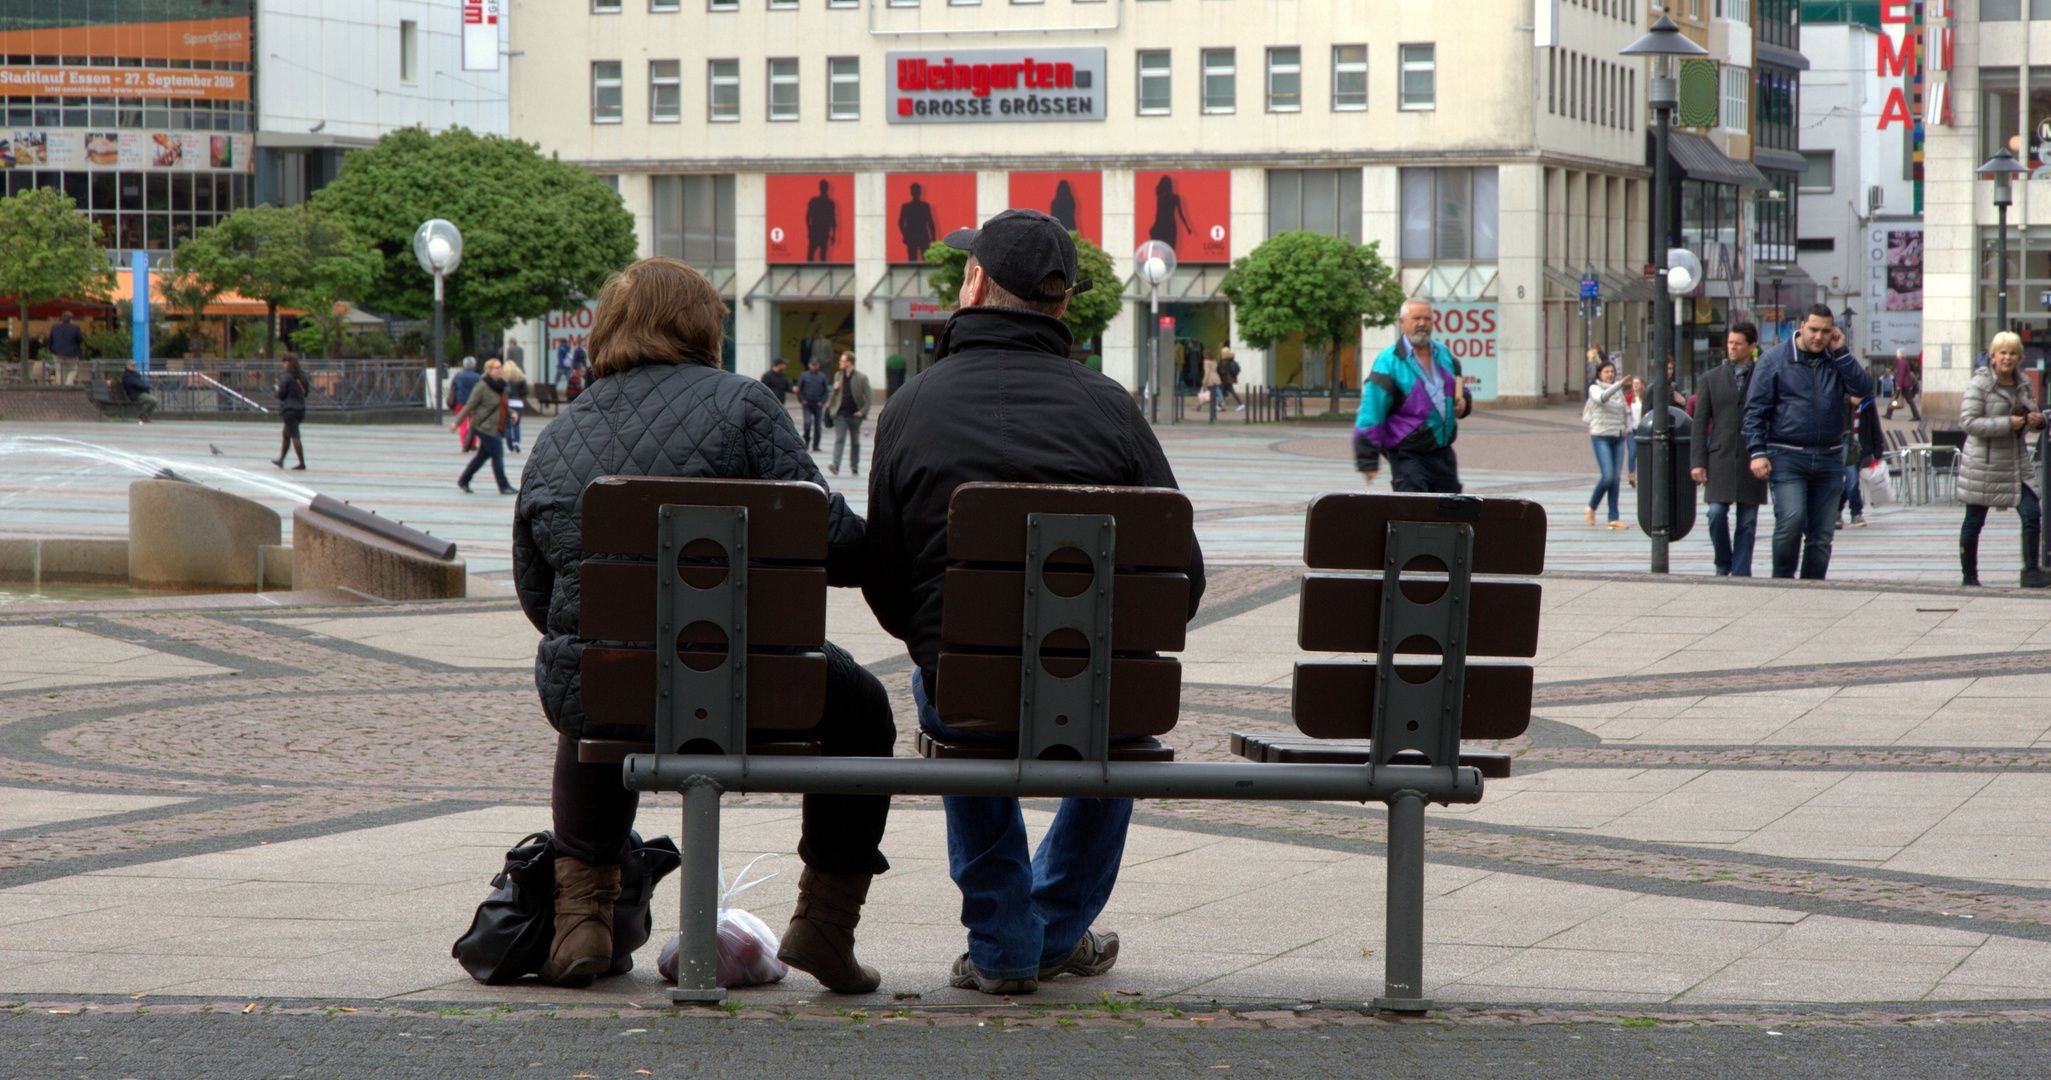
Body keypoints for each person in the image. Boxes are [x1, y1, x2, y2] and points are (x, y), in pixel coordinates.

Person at [513, 256, 894, 992]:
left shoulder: (559, 434)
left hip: (612, 693)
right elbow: (830, 540)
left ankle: (580, 920)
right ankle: (823, 924)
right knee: (863, 704)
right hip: (758, 687)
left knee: (598, 676)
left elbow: (537, 594)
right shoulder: (745, 406)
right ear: (701, 327)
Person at [864, 209, 1204, 996]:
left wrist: (940, 643)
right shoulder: (1111, 407)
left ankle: (1006, 937)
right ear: (1060, 305)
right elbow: (1179, 578)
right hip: (1103, 694)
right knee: (1124, 694)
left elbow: (886, 581)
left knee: (946, 677)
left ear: (975, 283)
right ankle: (1049, 927)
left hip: (966, 690)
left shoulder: (913, 406)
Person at [1742, 303, 1876, 580]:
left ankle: (1813, 585)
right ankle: (1782, 580)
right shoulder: (1774, 360)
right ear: (1801, 326)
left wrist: (1841, 353)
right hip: (1786, 454)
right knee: (1790, 520)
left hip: (1829, 456)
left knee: (1822, 533)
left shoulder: (1836, 359)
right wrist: (1757, 451)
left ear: (1833, 333)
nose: (1819, 337)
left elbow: (1863, 389)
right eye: (1813, 329)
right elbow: (1754, 410)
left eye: (1826, 332)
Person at [1958, 332, 2049, 588]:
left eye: (2013, 353)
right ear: (1993, 356)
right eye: (2003, 353)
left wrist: (2038, 421)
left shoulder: (2023, 384)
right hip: (1984, 463)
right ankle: (1969, 577)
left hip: (2016, 462)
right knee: (1974, 521)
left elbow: (2032, 414)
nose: (2008, 358)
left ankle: (2031, 572)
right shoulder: (1980, 384)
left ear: (2019, 357)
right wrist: (2005, 423)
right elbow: (1968, 422)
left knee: (2032, 513)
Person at [1354, 298, 1471, 492]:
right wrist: (1367, 459)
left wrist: (1464, 404)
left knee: (1451, 513)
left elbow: (1461, 389)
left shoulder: (1444, 355)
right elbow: (1371, 409)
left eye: (1427, 319)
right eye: (1416, 318)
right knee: (1414, 513)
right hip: (1408, 455)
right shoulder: (1388, 361)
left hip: (1443, 452)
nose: (1422, 324)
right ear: (1402, 322)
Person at [1691, 322, 1769, 576]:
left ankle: (1741, 571)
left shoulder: (1763, 376)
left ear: (1751, 346)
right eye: (1729, 343)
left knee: (1747, 522)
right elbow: (1700, 422)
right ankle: (1723, 563)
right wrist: (1697, 461)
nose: (1732, 348)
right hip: (1720, 458)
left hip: (1752, 457)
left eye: (1737, 344)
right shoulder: (1711, 378)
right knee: (1715, 513)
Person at [451, 358, 515, 494]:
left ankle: (464, 480)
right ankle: (504, 486)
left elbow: (501, 406)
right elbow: (469, 406)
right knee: (498, 454)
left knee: (482, 456)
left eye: (500, 367)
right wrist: (457, 422)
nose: (500, 370)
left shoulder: (500, 386)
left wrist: (512, 413)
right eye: (496, 368)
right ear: (489, 370)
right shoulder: (482, 386)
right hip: (484, 427)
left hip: (496, 426)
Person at [1584, 361, 1631, 528]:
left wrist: (1628, 428)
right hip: (1601, 436)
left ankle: (1613, 518)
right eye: (1606, 372)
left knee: (1616, 479)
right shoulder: (1594, 388)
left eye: (1612, 371)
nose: (1610, 374)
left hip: (1617, 437)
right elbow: (1603, 398)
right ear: (1599, 374)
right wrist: (1619, 385)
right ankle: (1591, 506)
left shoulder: (1618, 392)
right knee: (1608, 476)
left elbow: (1626, 410)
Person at [1841, 393, 1883, 528]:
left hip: (1860, 449)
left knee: (1850, 481)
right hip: (1844, 447)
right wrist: (1848, 401)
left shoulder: (1868, 403)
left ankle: (1837, 510)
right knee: (1852, 479)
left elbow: (1875, 425)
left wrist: (1878, 451)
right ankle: (1856, 513)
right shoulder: (1841, 401)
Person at [825, 351, 870, 476]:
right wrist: (835, 388)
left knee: (855, 442)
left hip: (855, 415)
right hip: (840, 414)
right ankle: (836, 465)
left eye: (842, 361)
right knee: (840, 439)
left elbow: (869, 397)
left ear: (849, 362)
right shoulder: (838, 375)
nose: (840, 363)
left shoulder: (861, 377)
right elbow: (835, 396)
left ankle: (854, 467)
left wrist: (862, 412)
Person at [272, 357, 308, 470]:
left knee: (295, 436)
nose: (283, 365)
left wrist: (277, 392)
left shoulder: (286, 376)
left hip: (289, 409)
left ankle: (302, 463)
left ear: (287, 363)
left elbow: (281, 394)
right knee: (286, 434)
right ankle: (281, 460)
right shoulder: (302, 375)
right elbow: (306, 392)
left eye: (283, 362)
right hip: (301, 409)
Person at [897, 181, 939, 263]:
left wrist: (905, 235)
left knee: (921, 259)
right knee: (917, 259)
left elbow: (930, 222)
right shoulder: (918, 206)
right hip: (918, 236)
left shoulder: (920, 206)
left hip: (917, 236)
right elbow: (930, 223)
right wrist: (933, 238)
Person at [796, 356, 830, 450]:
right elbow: (799, 389)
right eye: (812, 365)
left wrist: (823, 401)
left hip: (818, 404)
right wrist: (802, 400)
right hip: (807, 404)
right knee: (807, 423)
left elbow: (826, 391)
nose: (814, 367)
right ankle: (807, 440)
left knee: (818, 426)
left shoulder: (822, 376)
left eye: (816, 365)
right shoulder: (804, 375)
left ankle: (816, 445)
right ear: (809, 365)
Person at [450, 357, 481, 451]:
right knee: (473, 423)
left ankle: (464, 444)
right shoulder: (477, 377)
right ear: (474, 366)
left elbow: (452, 388)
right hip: (474, 403)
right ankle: (473, 444)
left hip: (460, 402)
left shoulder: (458, 375)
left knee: (462, 424)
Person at [805, 179, 839, 263]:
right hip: (821, 232)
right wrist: (833, 235)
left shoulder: (817, 201)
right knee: (820, 256)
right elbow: (833, 220)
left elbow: (808, 217)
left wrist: (809, 231)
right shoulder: (829, 203)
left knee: (814, 256)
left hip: (818, 232)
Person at [1885, 348, 1922, 421]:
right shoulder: (1905, 361)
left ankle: (1888, 414)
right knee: (1901, 398)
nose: (1896, 354)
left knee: (1900, 398)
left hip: (1903, 384)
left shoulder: (1901, 362)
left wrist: (1899, 385)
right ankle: (1888, 413)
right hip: (1905, 384)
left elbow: (1901, 374)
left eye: (1897, 353)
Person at [503, 360, 530, 453]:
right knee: (517, 424)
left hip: (508, 402)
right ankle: (517, 442)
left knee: (508, 426)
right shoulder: (521, 377)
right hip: (518, 403)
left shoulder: (505, 378)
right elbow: (525, 391)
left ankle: (510, 447)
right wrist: (519, 394)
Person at [120, 359, 158, 424]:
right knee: (153, 401)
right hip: (135, 395)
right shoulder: (128, 376)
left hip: (139, 393)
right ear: (128, 366)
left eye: (134, 366)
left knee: (154, 400)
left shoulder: (134, 374)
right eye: (132, 366)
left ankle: (144, 415)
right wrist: (147, 387)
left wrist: (146, 387)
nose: (134, 367)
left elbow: (139, 384)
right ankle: (143, 415)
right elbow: (138, 384)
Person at [1217, 345, 1244, 410]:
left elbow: (1222, 371)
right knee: (1223, 391)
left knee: (1231, 391)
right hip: (1229, 379)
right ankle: (1219, 405)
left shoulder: (1224, 360)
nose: (1221, 353)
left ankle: (1240, 404)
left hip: (1227, 379)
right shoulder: (1231, 360)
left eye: (1222, 352)